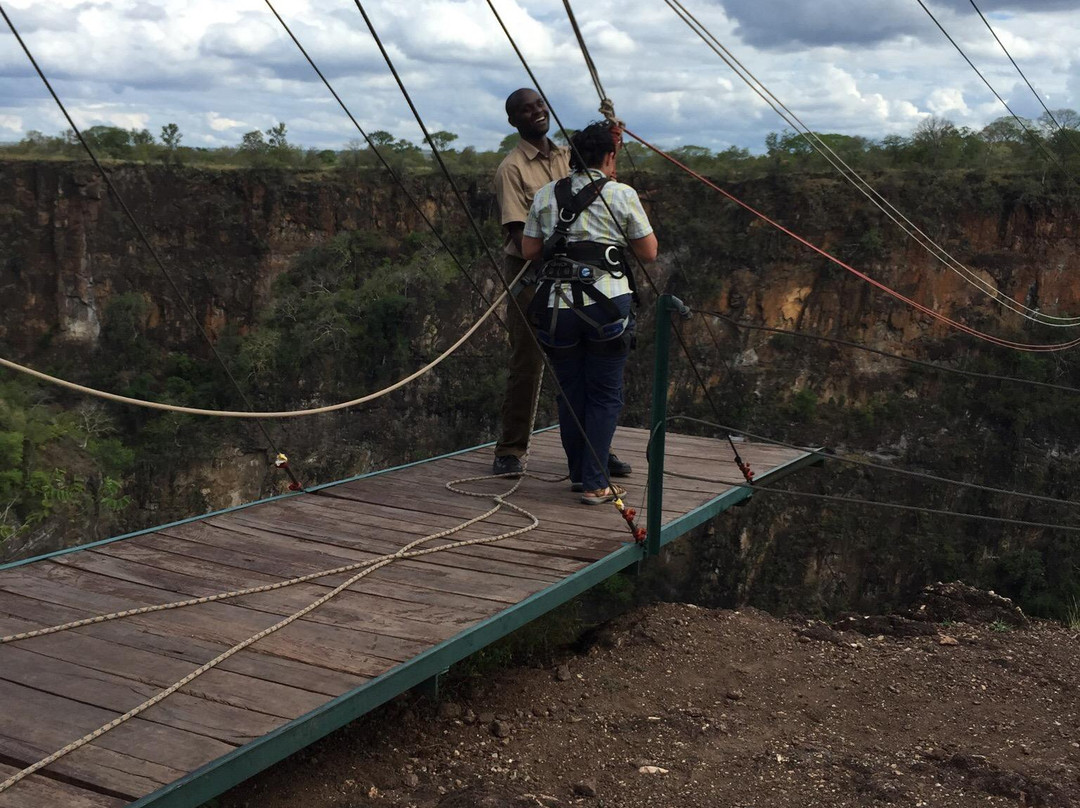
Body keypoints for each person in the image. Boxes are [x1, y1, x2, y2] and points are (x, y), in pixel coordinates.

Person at [491, 89, 632, 482]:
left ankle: (595, 452)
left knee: (589, 360)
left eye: (538, 105)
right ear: (513, 121)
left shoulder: (565, 154)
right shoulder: (513, 168)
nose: (535, 113)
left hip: (579, 275)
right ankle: (511, 449)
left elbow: (597, 175)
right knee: (528, 361)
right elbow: (524, 242)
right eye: (525, 110)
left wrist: (610, 140)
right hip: (532, 274)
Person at [521, 120, 657, 504]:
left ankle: (582, 475)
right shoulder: (621, 194)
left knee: (571, 392)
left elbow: (530, 251)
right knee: (604, 394)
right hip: (606, 307)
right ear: (609, 157)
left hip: (554, 307)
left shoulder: (547, 195)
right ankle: (596, 482)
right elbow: (648, 252)